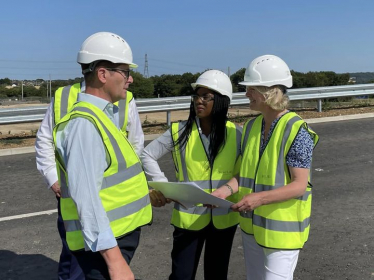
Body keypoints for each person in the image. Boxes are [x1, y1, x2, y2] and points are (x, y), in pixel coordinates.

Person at [35, 32, 144, 279]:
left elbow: (132, 149)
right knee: (75, 267)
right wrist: (115, 262)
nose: (131, 79)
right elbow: (87, 198)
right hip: (100, 230)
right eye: (125, 72)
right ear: (103, 74)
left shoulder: (111, 108)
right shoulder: (84, 122)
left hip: (109, 225)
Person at [211, 55, 319, 280]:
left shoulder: (296, 130)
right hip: (252, 228)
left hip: (282, 234)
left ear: (268, 91)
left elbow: (299, 185)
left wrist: (258, 199)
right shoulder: (251, 127)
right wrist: (224, 192)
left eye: (251, 88)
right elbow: (245, 175)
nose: (246, 94)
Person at [140, 70, 242, 280]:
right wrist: (162, 185)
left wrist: (229, 189)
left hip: (224, 219)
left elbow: (247, 171)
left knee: (217, 275)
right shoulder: (179, 131)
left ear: (222, 101)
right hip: (188, 219)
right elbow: (147, 154)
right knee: (181, 276)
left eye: (206, 97)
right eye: (197, 96)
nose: (199, 101)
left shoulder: (237, 133)